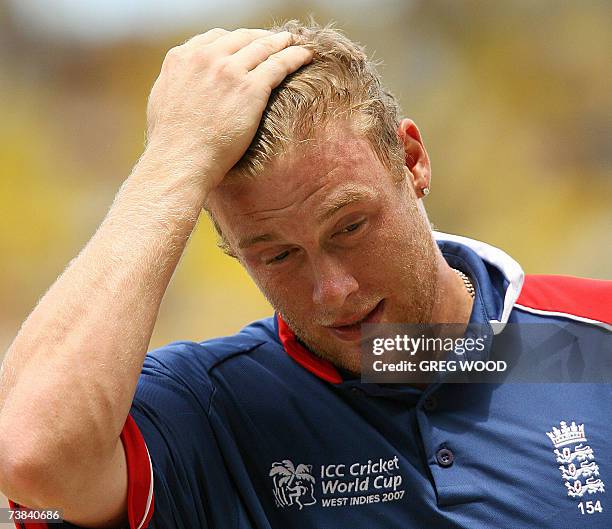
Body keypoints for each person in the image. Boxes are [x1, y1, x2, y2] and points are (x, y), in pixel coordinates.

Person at [0, 20, 610, 529]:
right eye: (278, 255)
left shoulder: (593, 336)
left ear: (413, 160)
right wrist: (174, 159)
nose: (333, 292)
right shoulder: (209, 408)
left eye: (349, 227)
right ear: (232, 249)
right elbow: (32, 456)